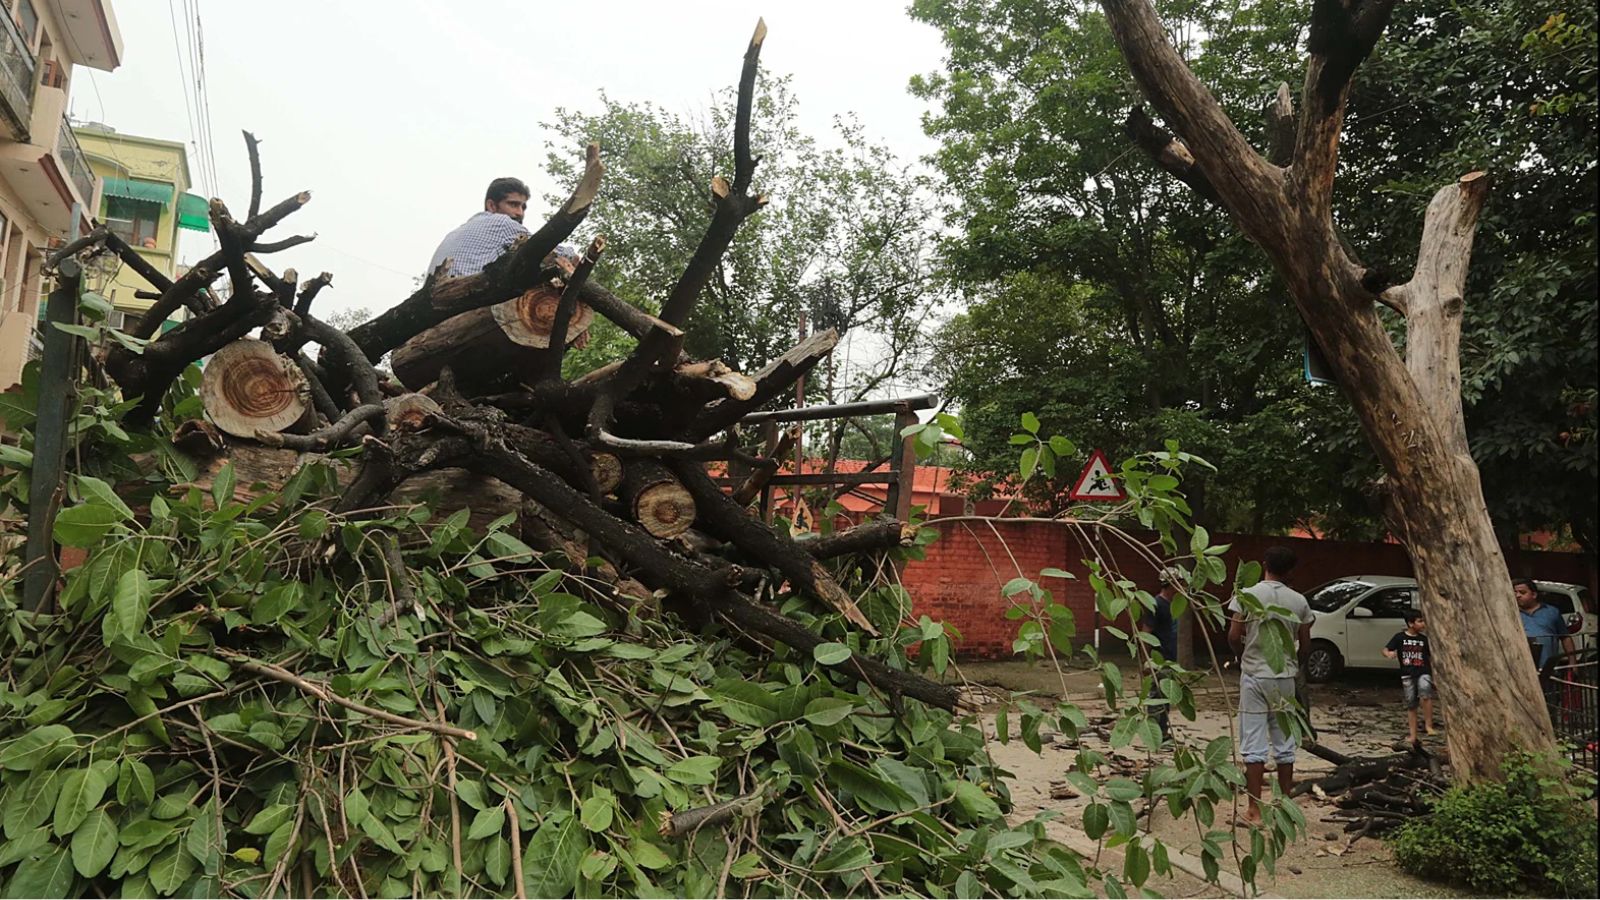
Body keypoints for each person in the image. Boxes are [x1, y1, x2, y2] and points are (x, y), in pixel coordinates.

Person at [1227, 546, 1315, 825]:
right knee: (1285, 742)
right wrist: (1294, 665)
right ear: (1291, 571)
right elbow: (1306, 643)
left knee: (1253, 743)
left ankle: (1254, 810)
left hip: (1253, 674)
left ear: (1263, 564)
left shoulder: (1246, 596)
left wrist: (1241, 656)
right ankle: (1284, 807)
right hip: (1284, 677)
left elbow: (1233, 633)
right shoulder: (1299, 601)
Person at [427, 177, 533, 278]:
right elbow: (543, 251)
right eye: (513, 205)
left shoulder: (454, 233)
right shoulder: (502, 222)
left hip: (435, 293)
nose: (520, 213)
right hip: (466, 293)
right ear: (491, 206)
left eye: (523, 207)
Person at [1382, 610, 1434, 743]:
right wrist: (1389, 654)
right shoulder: (1399, 637)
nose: (1423, 624)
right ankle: (1413, 735)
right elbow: (1385, 649)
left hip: (1423, 671)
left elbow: (1430, 657)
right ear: (1411, 623)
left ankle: (1428, 725)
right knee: (1411, 705)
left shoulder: (1424, 640)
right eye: (1420, 621)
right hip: (1407, 674)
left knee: (1425, 694)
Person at [1141, 571, 1181, 740]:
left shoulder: (1175, 605)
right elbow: (1146, 632)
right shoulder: (1156, 605)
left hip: (1170, 659)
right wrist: (1146, 660)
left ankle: (1162, 731)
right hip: (1159, 658)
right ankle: (1154, 735)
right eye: (1178, 583)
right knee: (1157, 696)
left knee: (1166, 696)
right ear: (1170, 584)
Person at [1515, 577, 1574, 683]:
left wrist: (1573, 663)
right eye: (1515, 592)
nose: (1517, 595)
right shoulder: (1510, 613)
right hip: (1520, 670)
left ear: (1534, 595)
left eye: (1522, 592)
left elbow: (1565, 638)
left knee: (1551, 697)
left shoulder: (1552, 612)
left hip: (1548, 669)